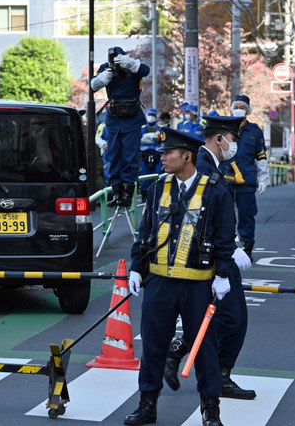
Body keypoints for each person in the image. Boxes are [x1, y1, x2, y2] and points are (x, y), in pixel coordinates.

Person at [125, 127, 236, 426]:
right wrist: (137, 267)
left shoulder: (215, 189)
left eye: (168, 153)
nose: (161, 158)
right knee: (152, 346)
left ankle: (210, 411)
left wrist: (222, 273)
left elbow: (226, 236)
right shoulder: (157, 188)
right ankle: (147, 406)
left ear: (187, 156)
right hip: (159, 281)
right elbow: (145, 232)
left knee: (204, 349)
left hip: (198, 284)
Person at [162, 115, 255, 402]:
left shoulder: (214, 165)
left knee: (228, 318)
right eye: (233, 139)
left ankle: (206, 367)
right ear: (220, 139)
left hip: (216, 252)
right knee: (231, 318)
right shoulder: (200, 166)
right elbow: (194, 217)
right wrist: (229, 249)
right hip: (208, 259)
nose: (235, 145)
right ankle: (206, 370)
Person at [91, 47, 150, 207]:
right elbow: (93, 86)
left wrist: (129, 63)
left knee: (130, 156)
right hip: (114, 117)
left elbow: (145, 70)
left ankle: (127, 194)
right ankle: (116, 192)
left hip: (132, 117)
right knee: (113, 155)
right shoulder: (106, 68)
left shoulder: (133, 67)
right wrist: (106, 76)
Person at [224, 94, 270, 261]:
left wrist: (264, 178)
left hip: (247, 180)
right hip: (225, 179)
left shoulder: (255, 131)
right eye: (236, 106)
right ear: (231, 108)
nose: (239, 110)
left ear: (248, 111)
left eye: (242, 107)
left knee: (247, 215)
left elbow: (261, 156)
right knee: (225, 216)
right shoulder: (223, 128)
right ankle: (226, 248)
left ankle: (247, 248)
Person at [139, 108, 163, 201]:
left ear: (156, 117)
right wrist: (152, 138)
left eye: (153, 116)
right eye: (150, 115)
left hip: (157, 155)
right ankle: (144, 196)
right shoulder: (142, 128)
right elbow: (140, 140)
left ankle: (157, 195)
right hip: (144, 155)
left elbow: (160, 140)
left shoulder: (160, 128)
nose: (151, 117)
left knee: (158, 175)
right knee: (144, 176)